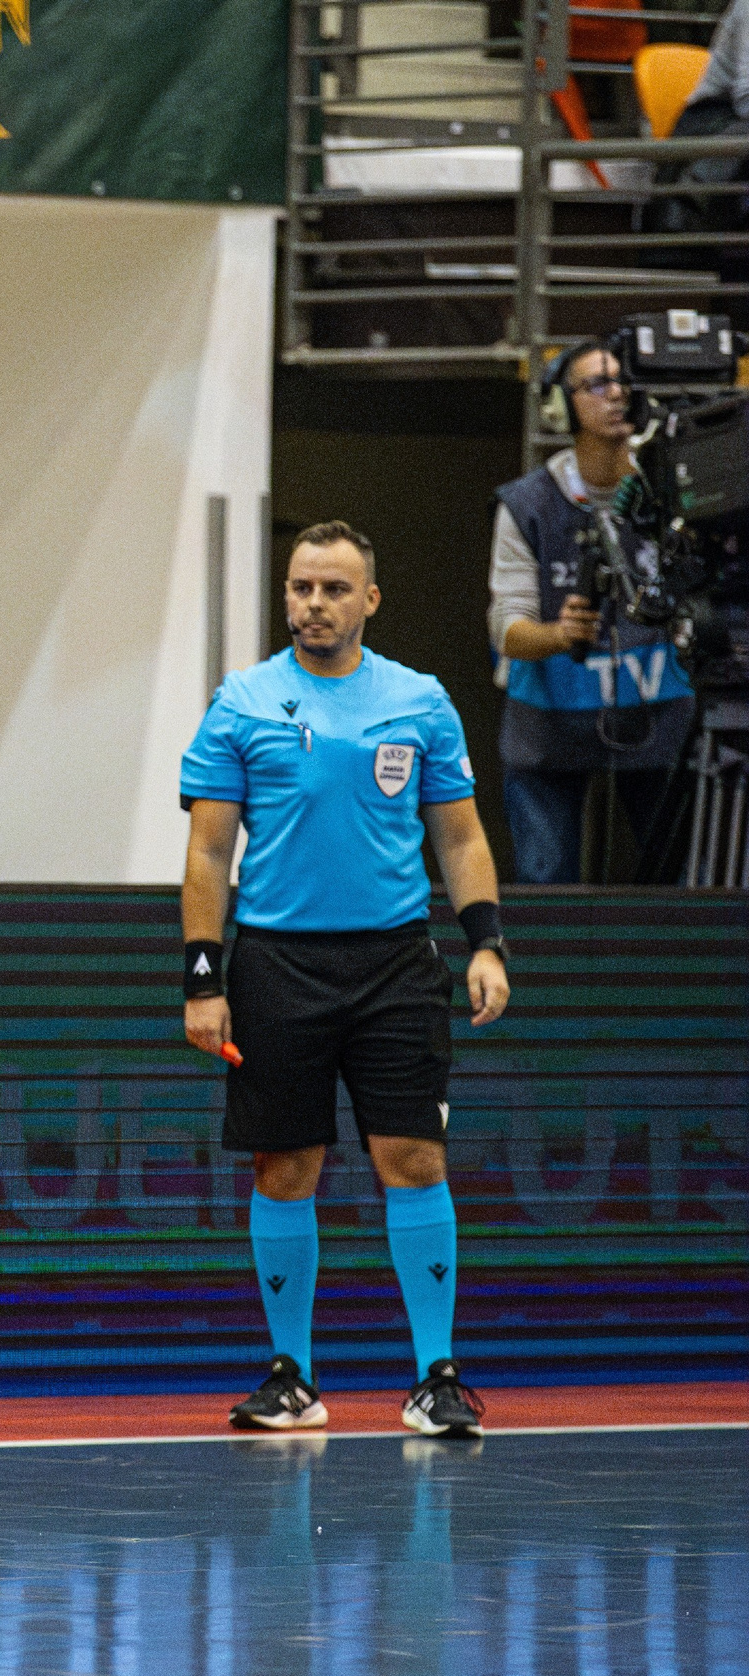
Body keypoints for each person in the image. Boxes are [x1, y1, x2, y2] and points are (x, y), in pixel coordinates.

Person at [181, 520, 512, 1441]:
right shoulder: (243, 701)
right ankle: (291, 1378)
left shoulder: (420, 701)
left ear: (369, 599)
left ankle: (437, 1377)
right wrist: (203, 978)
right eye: (300, 588)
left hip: (396, 963)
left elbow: (460, 835)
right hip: (278, 964)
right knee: (286, 1165)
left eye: (333, 589)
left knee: (415, 1159)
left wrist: (485, 943)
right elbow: (209, 850)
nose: (313, 604)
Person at [487, 341, 694, 881]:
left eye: (623, 382)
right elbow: (506, 627)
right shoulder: (526, 505)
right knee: (545, 878)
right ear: (561, 406)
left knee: (683, 879)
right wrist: (558, 635)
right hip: (549, 725)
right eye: (597, 384)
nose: (617, 394)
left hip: (661, 719)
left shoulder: (673, 491)